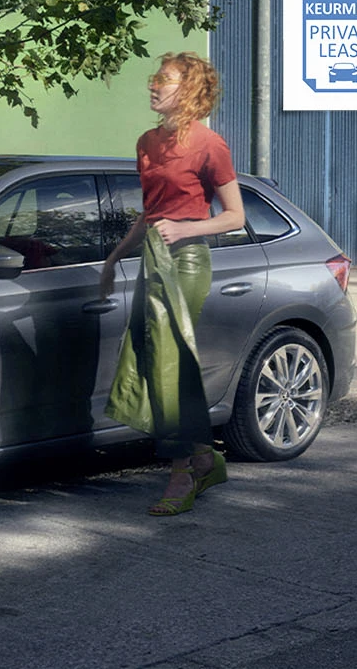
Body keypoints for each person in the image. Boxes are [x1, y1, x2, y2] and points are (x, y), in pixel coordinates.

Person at [99, 52, 245, 517]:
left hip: (187, 260)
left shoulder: (209, 145)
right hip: (153, 258)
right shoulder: (146, 142)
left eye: (163, 79)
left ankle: (183, 472)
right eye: (154, 78)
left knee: (171, 363)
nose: (153, 86)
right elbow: (151, 213)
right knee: (153, 358)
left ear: (189, 89)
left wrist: (185, 229)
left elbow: (235, 217)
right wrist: (114, 258)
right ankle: (203, 458)